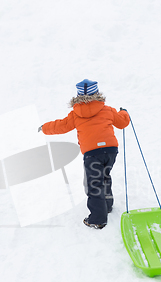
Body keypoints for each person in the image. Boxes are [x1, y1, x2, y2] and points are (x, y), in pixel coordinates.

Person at [39, 79, 130, 229]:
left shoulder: (75, 114)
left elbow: (61, 126)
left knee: (93, 184)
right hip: (111, 151)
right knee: (104, 176)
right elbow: (122, 122)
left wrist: (44, 128)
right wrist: (124, 112)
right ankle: (107, 205)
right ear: (97, 93)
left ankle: (98, 219)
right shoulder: (107, 110)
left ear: (78, 96)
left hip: (92, 153)